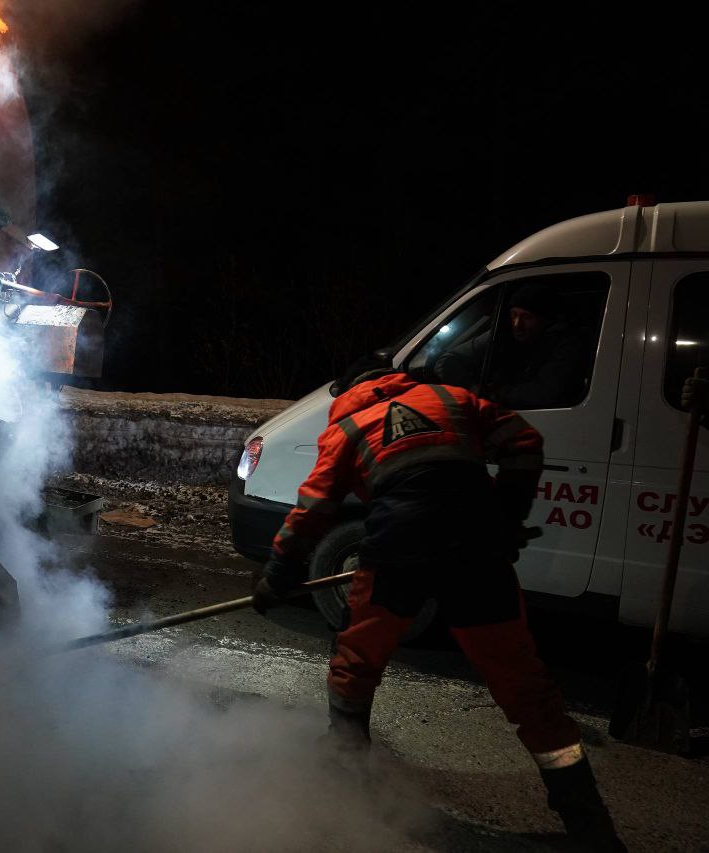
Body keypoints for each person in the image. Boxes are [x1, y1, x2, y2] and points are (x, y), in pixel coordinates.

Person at [251, 358, 624, 851]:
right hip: (476, 553)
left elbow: (314, 508)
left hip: (395, 553)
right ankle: (589, 823)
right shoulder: (452, 399)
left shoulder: (347, 426)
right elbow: (524, 443)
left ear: (348, 390)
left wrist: (276, 576)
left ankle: (342, 777)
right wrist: (505, 519)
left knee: (356, 662)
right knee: (524, 684)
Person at [434, 281, 593, 409]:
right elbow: (448, 360)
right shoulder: (502, 335)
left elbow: (546, 393)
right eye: (514, 315)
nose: (517, 324)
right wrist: (472, 388)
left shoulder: (566, 344)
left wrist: (493, 395)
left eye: (527, 317)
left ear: (545, 319)